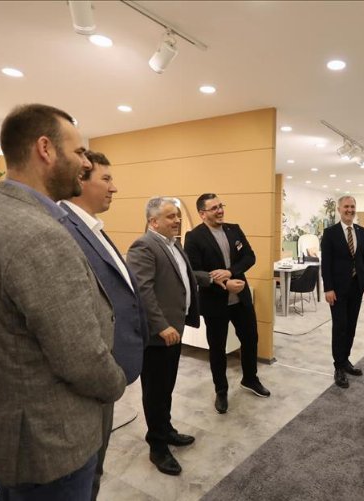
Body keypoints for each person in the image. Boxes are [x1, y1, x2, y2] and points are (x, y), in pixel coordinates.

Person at [0, 104, 126, 500]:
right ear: (45, 149)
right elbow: (80, 355)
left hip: (10, 434)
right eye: (78, 152)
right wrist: (117, 382)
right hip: (49, 442)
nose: (85, 163)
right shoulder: (37, 233)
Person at [58, 150, 148, 499]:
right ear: (80, 180)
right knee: (83, 474)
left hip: (104, 374)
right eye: (106, 179)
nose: (114, 188)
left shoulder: (92, 228)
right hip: (91, 378)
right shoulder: (64, 229)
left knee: (93, 470)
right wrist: (107, 375)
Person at [126, 197, 211, 476]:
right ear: (153, 222)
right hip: (158, 335)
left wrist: (211, 278)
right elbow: (143, 290)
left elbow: (183, 277)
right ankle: (157, 446)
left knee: (166, 387)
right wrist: (161, 325)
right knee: (155, 391)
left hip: (174, 330)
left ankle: (166, 429)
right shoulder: (144, 246)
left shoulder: (173, 244)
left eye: (177, 215)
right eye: (170, 216)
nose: (177, 220)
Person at [184, 193, 270, 415]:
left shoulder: (234, 229)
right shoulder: (194, 237)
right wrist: (223, 283)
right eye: (214, 208)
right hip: (214, 302)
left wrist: (231, 272)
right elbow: (194, 272)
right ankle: (221, 391)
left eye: (220, 206)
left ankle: (250, 379)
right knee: (217, 349)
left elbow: (250, 257)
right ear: (202, 213)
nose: (220, 210)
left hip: (241, 299)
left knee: (250, 339)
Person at [320, 195, 364, 389]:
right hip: (337, 289)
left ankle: (346, 360)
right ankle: (338, 367)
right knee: (340, 327)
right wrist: (328, 288)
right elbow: (326, 263)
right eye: (346, 207)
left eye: (352, 206)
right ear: (339, 209)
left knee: (351, 326)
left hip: (356, 287)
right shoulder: (330, 233)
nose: (350, 210)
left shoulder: (361, 231)